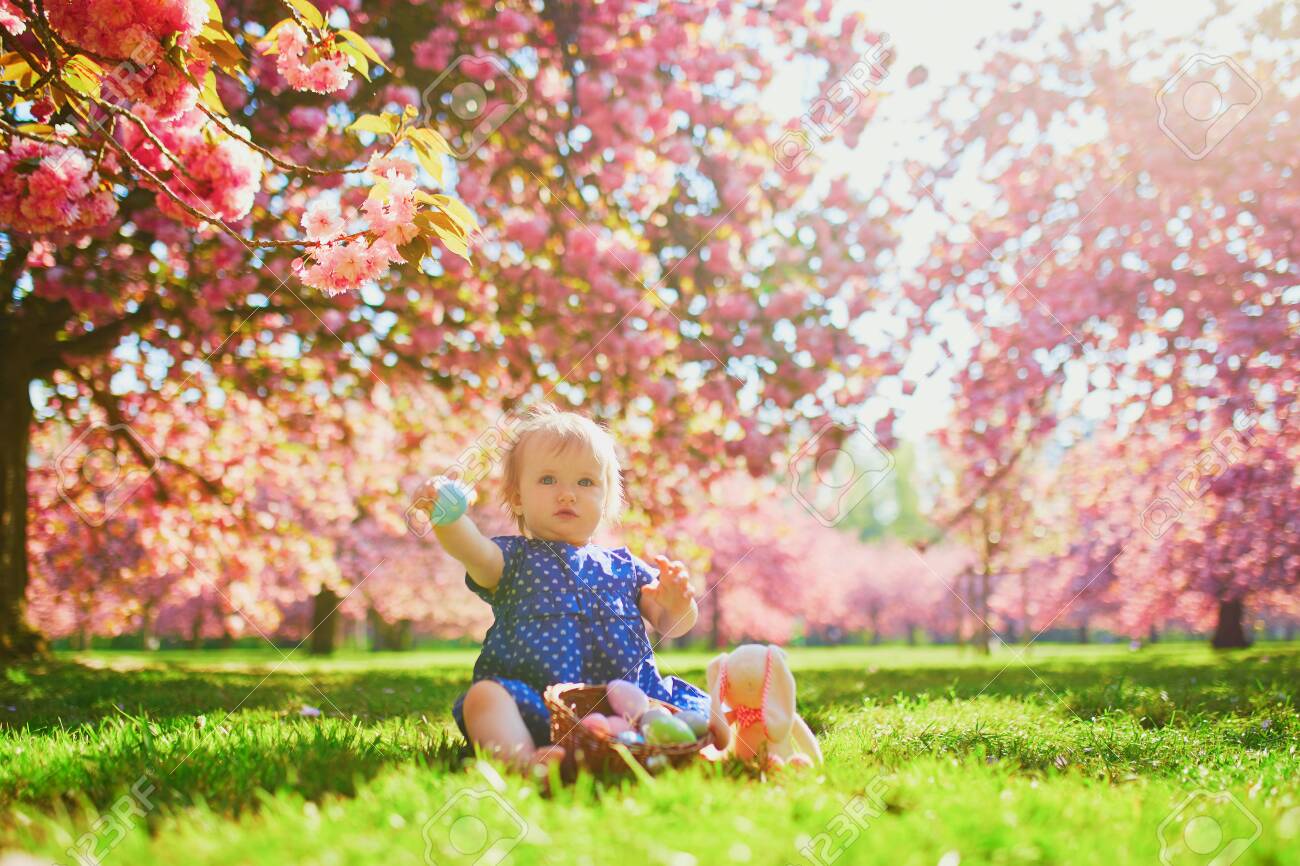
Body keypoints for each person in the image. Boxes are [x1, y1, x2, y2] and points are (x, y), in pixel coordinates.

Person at [417, 404, 729, 776]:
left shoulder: (625, 567)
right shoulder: (513, 560)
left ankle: (712, 751)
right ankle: (525, 761)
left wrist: (676, 603)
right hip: (538, 710)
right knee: (485, 698)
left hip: (633, 709)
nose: (567, 494)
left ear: (606, 499)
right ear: (518, 498)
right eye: (548, 480)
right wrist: (448, 519)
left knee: (708, 712)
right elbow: (471, 549)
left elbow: (671, 624)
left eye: (585, 483)